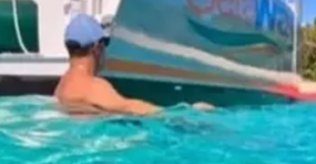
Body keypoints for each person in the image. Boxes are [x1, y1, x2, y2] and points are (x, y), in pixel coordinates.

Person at [54, 13, 213, 116]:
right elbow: (130, 107)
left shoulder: (62, 85)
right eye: (106, 43)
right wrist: (187, 113)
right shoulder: (93, 86)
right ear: (97, 48)